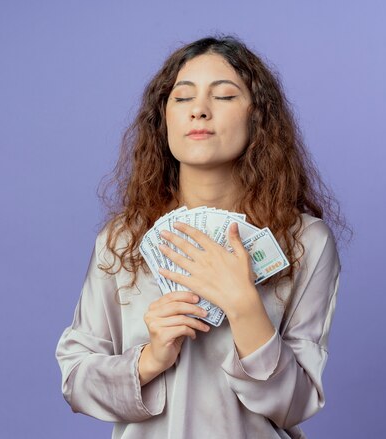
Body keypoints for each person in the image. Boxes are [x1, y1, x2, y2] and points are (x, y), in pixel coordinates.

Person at [55, 34, 349, 439]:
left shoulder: (305, 241)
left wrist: (245, 307)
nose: (199, 111)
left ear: (258, 117)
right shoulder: (123, 239)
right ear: (164, 118)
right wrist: (150, 358)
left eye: (225, 96)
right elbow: (76, 378)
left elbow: (296, 405)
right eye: (182, 97)